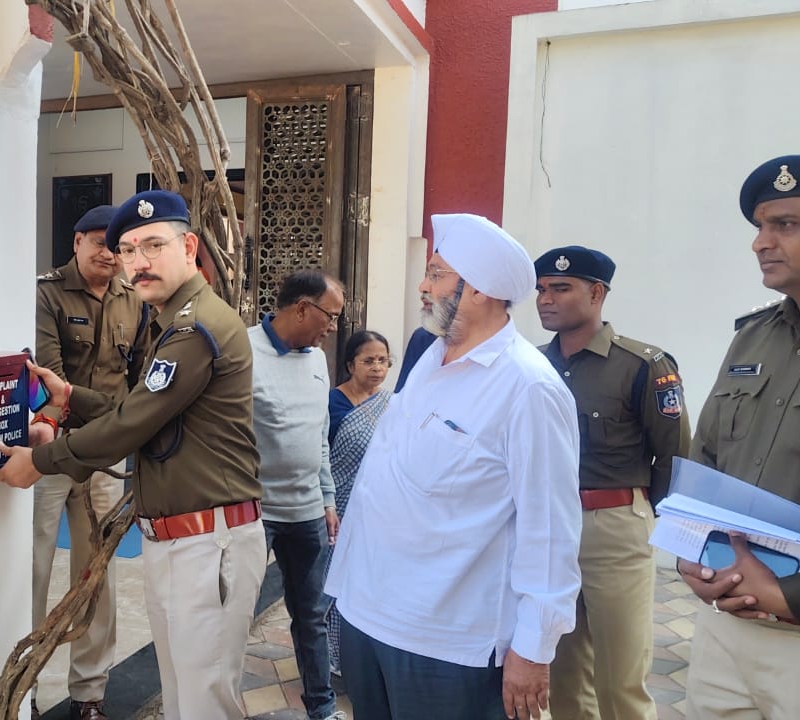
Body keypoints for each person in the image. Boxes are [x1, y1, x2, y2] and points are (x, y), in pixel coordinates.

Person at [0, 190, 265, 720]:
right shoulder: (168, 318)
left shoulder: (194, 327)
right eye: (127, 250)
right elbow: (139, 408)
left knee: (205, 703)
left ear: (188, 246)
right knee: (185, 698)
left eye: (152, 246)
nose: (138, 263)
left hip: (206, 544)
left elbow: (130, 425)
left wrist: (39, 462)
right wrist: (73, 397)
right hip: (176, 538)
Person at [325, 213, 582, 720]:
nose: (423, 285)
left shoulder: (529, 387)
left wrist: (534, 647)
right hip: (366, 609)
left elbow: (549, 528)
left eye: (437, 273)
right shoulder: (428, 352)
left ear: (480, 289)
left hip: (445, 640)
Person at [677, 151, 800, 719]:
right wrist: (691, 553)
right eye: (760, 226)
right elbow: (705, 457)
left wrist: (796, 597)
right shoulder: (752, 338)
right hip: (722, 628)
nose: (761, 242)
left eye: (785, 224)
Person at [533, 245, 691, 720]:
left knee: (620, 679)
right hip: (549, 529)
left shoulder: (643, 365)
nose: (545, 299)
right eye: (541, 289)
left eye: (561, 288)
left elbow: (674, 455)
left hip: (615, 527)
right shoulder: (532, 364)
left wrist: (654, 523)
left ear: (597, 293)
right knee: (561, 676)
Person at [31, 204, 144, 720]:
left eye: (115, 245)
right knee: (33, 567)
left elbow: (137, 377)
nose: (107, 252)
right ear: (76, 242)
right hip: (52, 448)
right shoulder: (47, 292)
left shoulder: (133, 299)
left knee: (96, 571)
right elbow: (48, 375)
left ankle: (89, 692)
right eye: (98, 241)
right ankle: (26, 689)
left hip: (106, 452)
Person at [249, 268, 345, 720]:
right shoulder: (243, 351)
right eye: (330, 316)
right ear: (303, 308)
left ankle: (321, 707)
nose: (333, 327)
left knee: (312, 617)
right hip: (254, 514)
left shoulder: (315, 359)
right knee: (232, 620)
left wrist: (326, 497)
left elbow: (320, 434)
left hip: (308, 513)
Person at [324, 329, 392, 675]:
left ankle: (359, 659)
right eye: (368, 360)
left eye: (382, 360)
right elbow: (322, 457)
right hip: (336, 509)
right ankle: (331, 661)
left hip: (376, 512)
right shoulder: (332, 404)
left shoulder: (392, 405)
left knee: (366, 585)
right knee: (333, 586)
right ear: (351, 364)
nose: (377, 367)